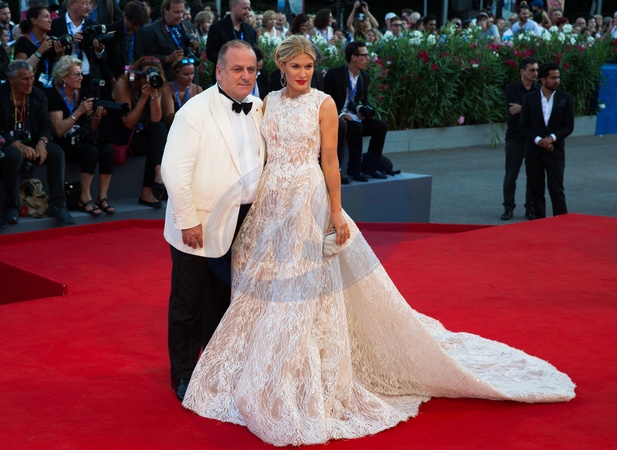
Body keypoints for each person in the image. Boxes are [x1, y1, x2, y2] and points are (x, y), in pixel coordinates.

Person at [181, 36, 575, 447]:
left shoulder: (323, 104)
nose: (302, 74)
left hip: (306, 198)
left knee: (301, 286)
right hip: (269, 201)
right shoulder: (268, 103)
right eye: (295, 66)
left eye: (308, 67)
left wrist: (336, 212)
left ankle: (299, 370)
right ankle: (258, 364)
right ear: (281, 67)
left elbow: (330, 161)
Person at [161, 39, 266, 401]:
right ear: (219, 71)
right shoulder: (194, 111)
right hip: (199, 224)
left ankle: (216, 369)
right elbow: (174, 171)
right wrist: (188, 220)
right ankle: (183, 375)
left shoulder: (258, 107)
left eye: (251, 69)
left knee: (223, 301)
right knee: (188, 304)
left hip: (243, 221)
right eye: (237, 69)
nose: (246, 76)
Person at [0, 60, 74, 226]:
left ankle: (58, 205)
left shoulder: (38, 95)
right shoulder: (2, 94)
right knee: (14, 155)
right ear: (11, 79)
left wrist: (42, 142)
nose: (30, 82)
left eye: (32, 77)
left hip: (32, 141)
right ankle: (11, 207)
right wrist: (17, 144)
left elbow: (46, 126)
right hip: (7, 143)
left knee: (56, 152)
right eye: (25, 79)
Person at [46, 55, 116, 215]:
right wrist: (79, 111)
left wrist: (96, 117)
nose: (81, 78)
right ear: (64, 77)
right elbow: (59, 130)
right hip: (62, 142)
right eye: (76, 74)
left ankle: (102, 196)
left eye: (81, 74)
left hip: (80, 138)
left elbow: (92, 128)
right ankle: (84, 197)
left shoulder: (82, 92)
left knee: (107, 150)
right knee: (90, 151)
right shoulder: (52, 95)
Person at [323, 40, 388, 183]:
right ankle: (354, 171)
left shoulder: (365, 76)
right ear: (353, 57)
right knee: (356, 128)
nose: (368, 59)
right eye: (364, 55)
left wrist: (363, 111)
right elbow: (324, 99)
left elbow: (363, 100)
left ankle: (371, 167)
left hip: (355, 116)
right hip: (338, 117)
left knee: (380, 126)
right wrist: (340, 114)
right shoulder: (335, 74)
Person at [108, 56, 167, 208]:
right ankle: (147, 191)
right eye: (147, 74)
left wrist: (154, 94)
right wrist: (143, 98)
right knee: (156, 145)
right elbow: (128, 123)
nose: (150, 78)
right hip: (124, 137)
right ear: (138, 74)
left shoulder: (156, 83)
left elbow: (156, 119)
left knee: (160, 129)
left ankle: (158, 171)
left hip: (141, 133)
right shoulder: (123, 84)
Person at [520, 61, 574, 219]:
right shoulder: (530, 98)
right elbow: (523, 126)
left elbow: (568, 126)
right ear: (543, 80)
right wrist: (539, 141)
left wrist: (552, 138)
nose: (557, 81)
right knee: (536, 191)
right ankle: (540, 224)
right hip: (534, 152)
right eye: (553, 78)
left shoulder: (565, 98)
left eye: (558, 77)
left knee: (556, 190)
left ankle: (562, 224)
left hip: (555, 152)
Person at [501, 57, 538, 221]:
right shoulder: (512, 88)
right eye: (532, 70)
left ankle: (530, 208)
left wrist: (523, 108)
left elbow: (540, 112)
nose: (535, 73)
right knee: (511, 175)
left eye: (536, 70)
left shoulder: (539, 90)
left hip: (532, 139)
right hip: (515, 138)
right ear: (522, 71)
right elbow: (513, 110)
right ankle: (508, 208)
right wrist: (531, 109)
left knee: (533, 176)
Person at [51, 0, 109, 96]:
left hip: (88, 80)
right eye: (84, 3)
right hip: (64, 80)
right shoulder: (55, 25)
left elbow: (102, 58)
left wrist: (98, 50)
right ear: (71, 4)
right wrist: (68, 42)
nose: (89, 8)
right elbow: (49, 53)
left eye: (90, 3)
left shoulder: (93, 26)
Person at [136, 0, 200, 81]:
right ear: (165, 10)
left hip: (190, 81)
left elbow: (198, 53)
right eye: (176, 12)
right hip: (166, 80)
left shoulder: (189, 26)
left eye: (182, 12)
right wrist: (167, 58)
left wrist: (196, 46)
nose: (180, 15)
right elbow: (145, 58)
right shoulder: (150, 31)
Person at [14, 5, 64, 90]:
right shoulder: (23, 41)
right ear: (34, 20)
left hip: (50, 88)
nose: (50, 20)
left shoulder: (51, 40)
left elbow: (58, 70)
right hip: (30, 89)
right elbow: (20, 70)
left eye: (50, 17)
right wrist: (40, 51)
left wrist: (60, 55)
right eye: (46, 17)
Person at [205, 0, 256, 75]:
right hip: (225, 75)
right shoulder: (217, 28)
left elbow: (253, 49)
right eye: (244, 8)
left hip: (245, 75)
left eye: (248, 9)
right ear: (233, 7)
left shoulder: (249, 29)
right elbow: (210, 53)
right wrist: (229, 60)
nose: (247, 12)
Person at [104, 0, 149, 80]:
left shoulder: (143, 34)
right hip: (114, 79)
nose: (136, 28)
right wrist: (111, 78)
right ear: (125, 16)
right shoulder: (111, 30)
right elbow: (104, 59)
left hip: (136, 79)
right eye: (133, 24)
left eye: (139, 25)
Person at [161, 56, 203, 126]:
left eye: (192, 73)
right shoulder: (168, 88)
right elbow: (168, 118)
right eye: (186, 74)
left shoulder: (198, 89)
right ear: (176, 73)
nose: (190, 78)